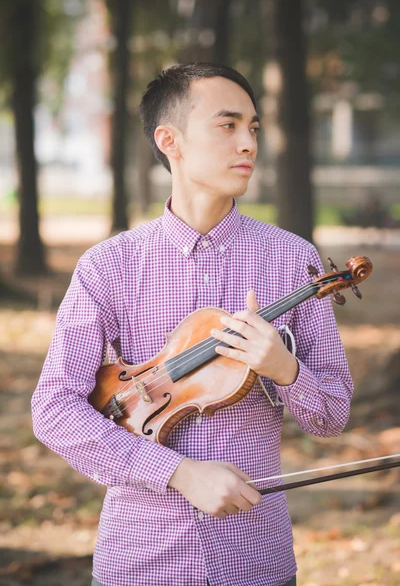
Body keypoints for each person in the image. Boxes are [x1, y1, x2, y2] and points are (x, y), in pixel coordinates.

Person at [32, 62, 353, 586]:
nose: (248, 143)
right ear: (170, 140)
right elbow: (54, 408)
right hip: (141, 558)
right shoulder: (109, 266)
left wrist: (285, 369)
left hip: (256, 559)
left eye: (253, 127)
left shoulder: (295, 260)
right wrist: (177, 473)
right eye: (227, 125)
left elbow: (331, 416)